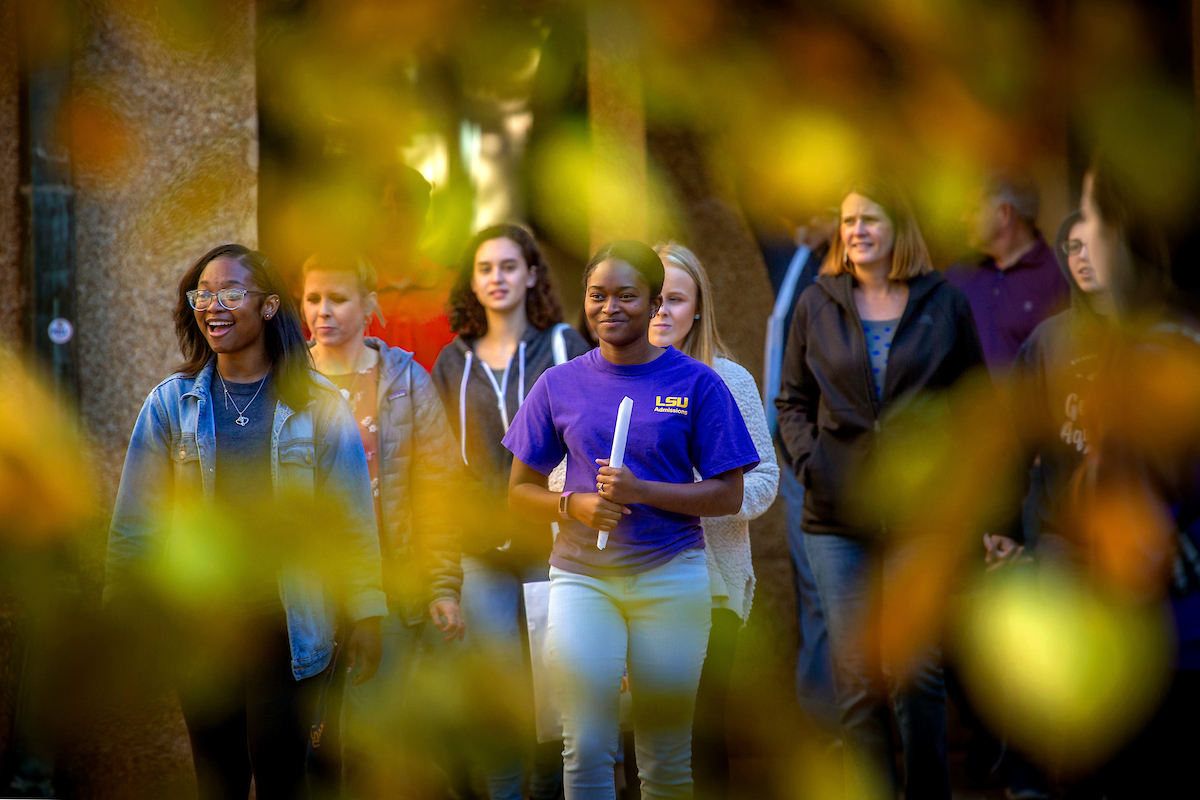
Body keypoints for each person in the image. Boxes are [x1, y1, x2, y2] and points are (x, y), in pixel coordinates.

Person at [105, 244, 386, 800]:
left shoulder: (321, 406)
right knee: (219, 778)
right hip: (202, 627)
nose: (213, 306)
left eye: (230, 293)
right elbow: (135, 522)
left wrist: (368, 608)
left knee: (283, 773)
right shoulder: (170, 406)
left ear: (268, 307)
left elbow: (351, 519)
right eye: (202, 295)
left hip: (290, 621)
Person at [504, 240, 760, 800]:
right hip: (582, 578)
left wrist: (642, 490)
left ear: (653, 305)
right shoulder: (558, 384)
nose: (610, 308)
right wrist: (574, 505)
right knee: (587, 745)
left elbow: (728, 494)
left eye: (628, 296)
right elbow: (518, 492)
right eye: (598, 295)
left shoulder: (699, 383)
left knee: (666, 755)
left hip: (672, 577)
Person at [776, 179, 989, 800]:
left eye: (870, 218)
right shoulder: (817, 302)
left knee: (919, 674)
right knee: (857, 680)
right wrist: (815, 466)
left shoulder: (944, 302)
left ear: (900, 226)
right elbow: (790, 401)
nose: (856, 231)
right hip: (836, 518)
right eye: (847, 221)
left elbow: (976, 406)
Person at [430, 224, 590, 800]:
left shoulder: (565, 344)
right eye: (485, 268)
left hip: (552, 546)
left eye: (507, 266)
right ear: (472, 282)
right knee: (498, 698)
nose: (497, 277)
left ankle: (548, 792)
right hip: (481, 552)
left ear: (531, 274)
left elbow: (586, 436)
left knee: (551, 697)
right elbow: (440, 461)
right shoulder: (452, 360)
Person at [300, 251, 464, 796]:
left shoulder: (406, 380)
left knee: (375, 737)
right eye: (314, 298)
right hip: (309, 588)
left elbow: (439, 489)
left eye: (338, 299)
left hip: (391, 583)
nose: (324, 311)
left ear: (369, 306)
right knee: (312, 742)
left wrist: (442, 585)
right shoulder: (286, 380)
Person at [648, 241, 779, 799]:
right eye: (649, 297)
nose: (660, 311)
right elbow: (559, 476)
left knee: (704, 733)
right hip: (633, 578)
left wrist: (694, 496)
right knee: (650, 739)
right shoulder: (603, 378)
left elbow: (766, 479)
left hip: (715, 585)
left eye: (674, 299)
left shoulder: (730, 380)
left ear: (698, 307)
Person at [757, 216, 840, 732]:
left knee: (840, 603)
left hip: (832, 456)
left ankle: (849, 739)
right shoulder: (792, 258)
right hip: (793, 456)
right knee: (814, 599)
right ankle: (819, 734)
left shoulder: (845, 273)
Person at [946, 171, 1071, 372]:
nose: (963, 218)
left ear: (1004, 213)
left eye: (974, 210)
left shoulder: (1059, 275)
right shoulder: (958, 276)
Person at [365, 164, 457, 371]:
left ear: (423, 219)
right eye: (384, 211)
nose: (394, 221)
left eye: (405, 210)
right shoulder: (345, 292)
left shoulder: (454, 289)